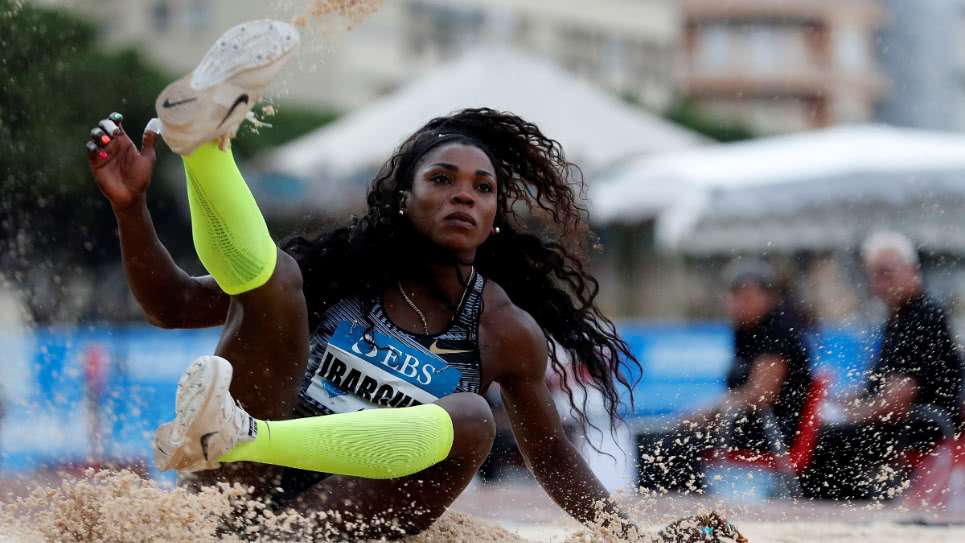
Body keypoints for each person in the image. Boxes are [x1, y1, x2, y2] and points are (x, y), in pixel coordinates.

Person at [86, 19, 644, 539]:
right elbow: (175, 305)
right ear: (406, 200)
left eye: (482, 189)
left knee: (472, 419)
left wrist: (627, 534)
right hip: (228, 495)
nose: (464, 196)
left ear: (495, 216)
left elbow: (553, 457)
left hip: (325, 528)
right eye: (443, 179)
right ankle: (203, 146)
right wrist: (130, 209)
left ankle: (243, 432)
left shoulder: (502, 330)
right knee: (277, 285)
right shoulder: (341, 271)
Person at [800, 231, 964, 500]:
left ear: (912, 271)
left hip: (922, 424)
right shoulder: (898, 317)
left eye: (886, 274)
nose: (878, 285)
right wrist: (839, 401)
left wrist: (850, 414)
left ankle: (847, 515)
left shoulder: (923, 316)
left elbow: (896, 403)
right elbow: (881, 387)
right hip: (905, 420)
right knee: (819, 432)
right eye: (874, 276)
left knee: (824, 443)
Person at [637, 259, 812, 493]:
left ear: (769, 298)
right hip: (744, 423)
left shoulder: (776, 331)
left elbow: (761, 395)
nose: (737, 304)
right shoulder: (745, 331)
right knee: (657, 438)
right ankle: (670, 508)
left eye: (746, 297)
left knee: (668, 446)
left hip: (772, 430)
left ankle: (688, 513)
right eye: (733, 296)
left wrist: (711, 411)